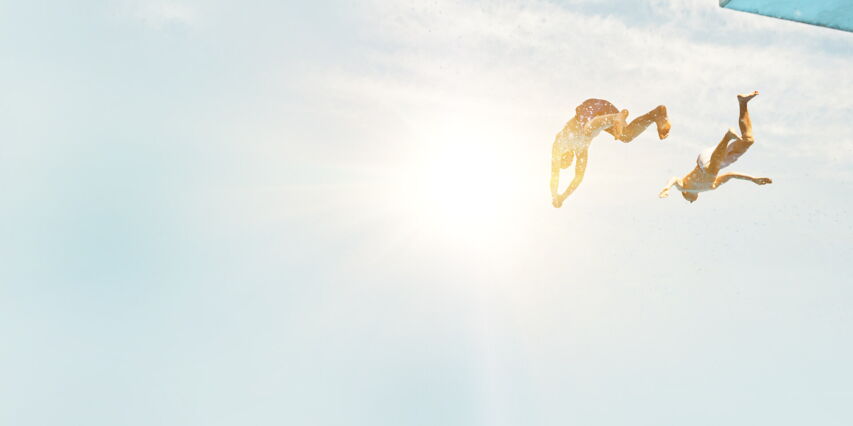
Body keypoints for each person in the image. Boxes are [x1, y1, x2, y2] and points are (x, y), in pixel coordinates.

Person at [551, 99, 671, 208]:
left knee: (586, 129)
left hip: (592, 108)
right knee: (626, 136)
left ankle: (617, 117)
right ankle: (656, 114)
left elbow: (554, 174)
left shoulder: (559, 142)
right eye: (570, 163)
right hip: (605, 113)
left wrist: (554, 194)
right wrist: (563, 197)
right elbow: (578, 178)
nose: (569, 160)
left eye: (565, 161)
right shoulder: (581, 151)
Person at [659, 91, 772, 203]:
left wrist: (666, 188)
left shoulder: (684, 187)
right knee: (748, 140)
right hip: (719, 159)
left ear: (685, 194)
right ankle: (743, 103)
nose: (691, 202)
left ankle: (727, 136)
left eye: (688, 200)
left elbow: (673, 179)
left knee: (711, 169)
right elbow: (730, 175)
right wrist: (753, 179)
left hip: (704, 161)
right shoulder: (712, 186)